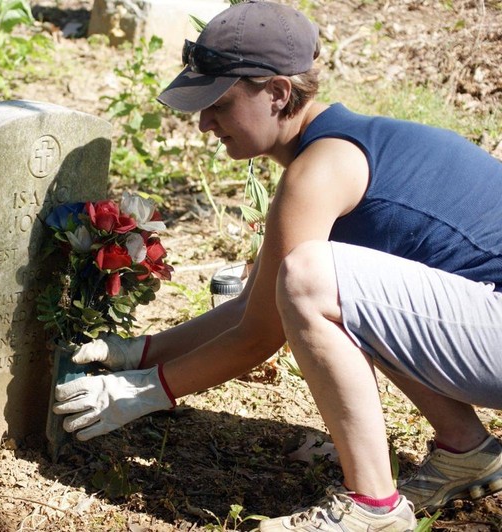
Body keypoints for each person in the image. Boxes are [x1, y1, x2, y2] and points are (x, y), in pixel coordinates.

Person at [52, 1, 502, 530]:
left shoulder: (321, 169)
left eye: (217, 102)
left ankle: (374, 509)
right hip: (483, 325)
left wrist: (143, 393)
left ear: (278, 93)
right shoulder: (339, 149)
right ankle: (466, 450)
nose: (203, 124)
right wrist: (139, 353)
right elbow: (256, 308)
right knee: (333, 290)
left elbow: (259, 337)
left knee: (313, 279)